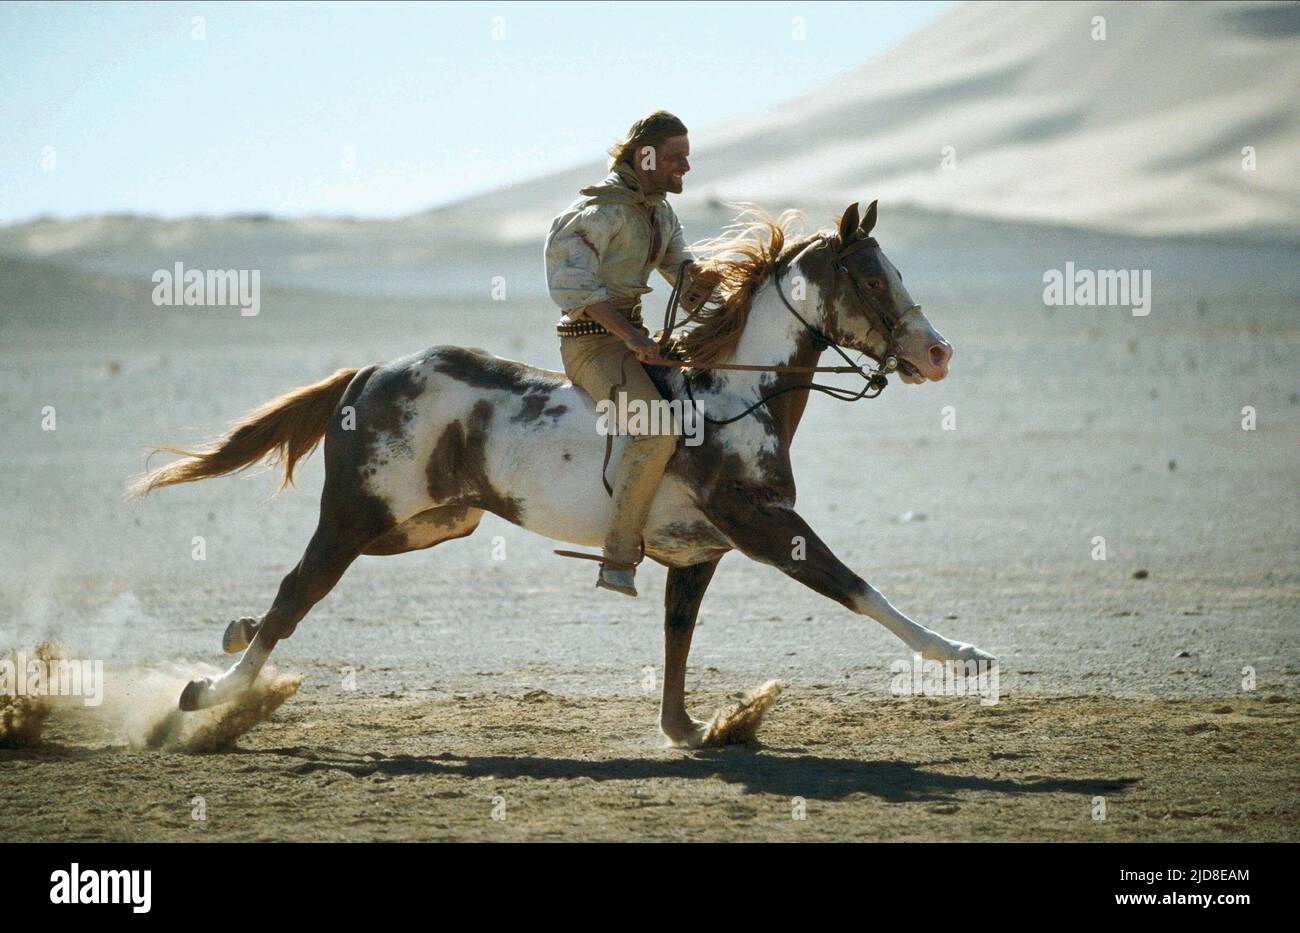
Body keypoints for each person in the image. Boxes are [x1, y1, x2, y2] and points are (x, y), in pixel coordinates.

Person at [545, 110, 718, 597]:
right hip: (590, 342)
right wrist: (633, 338)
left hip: (633, 337)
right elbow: (576, 288)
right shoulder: (597, 214)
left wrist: (711, 286)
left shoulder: (659, 211)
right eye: (675, 158)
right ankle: (618, 556)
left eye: (687, 157)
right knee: (656, 429)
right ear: (645, 157)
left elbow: (683, 276)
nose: (685, 167)